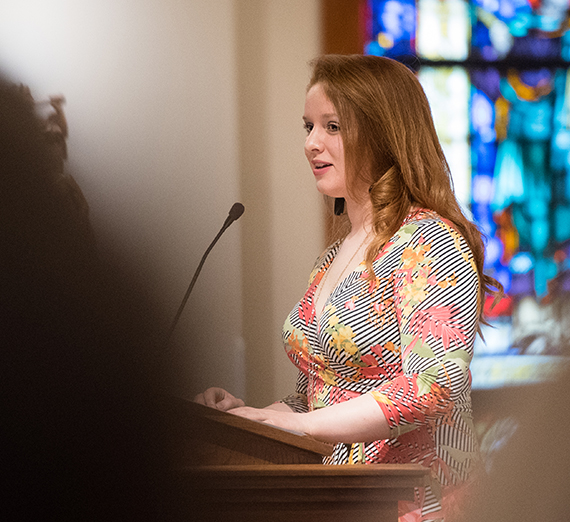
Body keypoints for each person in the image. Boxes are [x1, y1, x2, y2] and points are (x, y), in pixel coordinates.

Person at [195, 54, 502, 521]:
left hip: (419, 502)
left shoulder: (428, 239)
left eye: (332, 127)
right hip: (341, 498)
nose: (311, 144)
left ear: (382, 134)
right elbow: (318, 396)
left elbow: (432, 384)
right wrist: (246, 419)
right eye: (308, 127)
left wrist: (299, 424)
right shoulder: (330, 259)